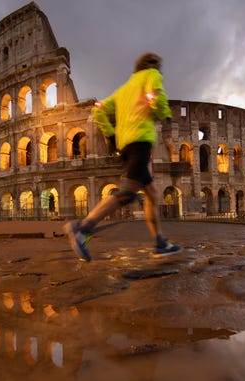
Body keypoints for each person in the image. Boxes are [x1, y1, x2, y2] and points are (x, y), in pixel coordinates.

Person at [64, 52, 181, 262]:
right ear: (153, 65)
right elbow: (156, 97)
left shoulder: (123, 91)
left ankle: (160, 242)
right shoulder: (152, 74)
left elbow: (98, 110)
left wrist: (110, 133)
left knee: (152, 194)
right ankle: (83, 228)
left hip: (125, 145)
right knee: (127, 193)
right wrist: (162, 111)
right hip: (140, 141)